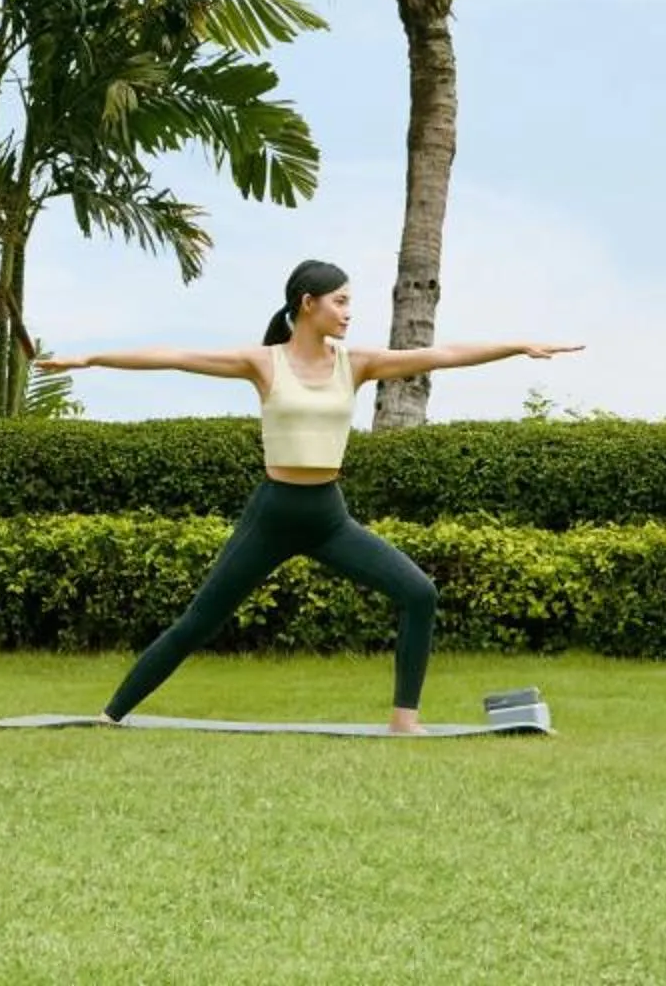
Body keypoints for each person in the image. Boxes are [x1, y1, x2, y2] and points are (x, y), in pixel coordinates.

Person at [33, 260, 582, 733]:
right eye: (340, 302)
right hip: (273, 513)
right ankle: (112, 715)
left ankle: (404, 720)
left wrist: (517, 346)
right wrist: (90, 360)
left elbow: (443, 354)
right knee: (200, 621)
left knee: (419, 593)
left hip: (327, 516)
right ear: (308, 303)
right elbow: (174, 355)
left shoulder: (358, 362)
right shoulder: (263, 362)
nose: (348, 312)